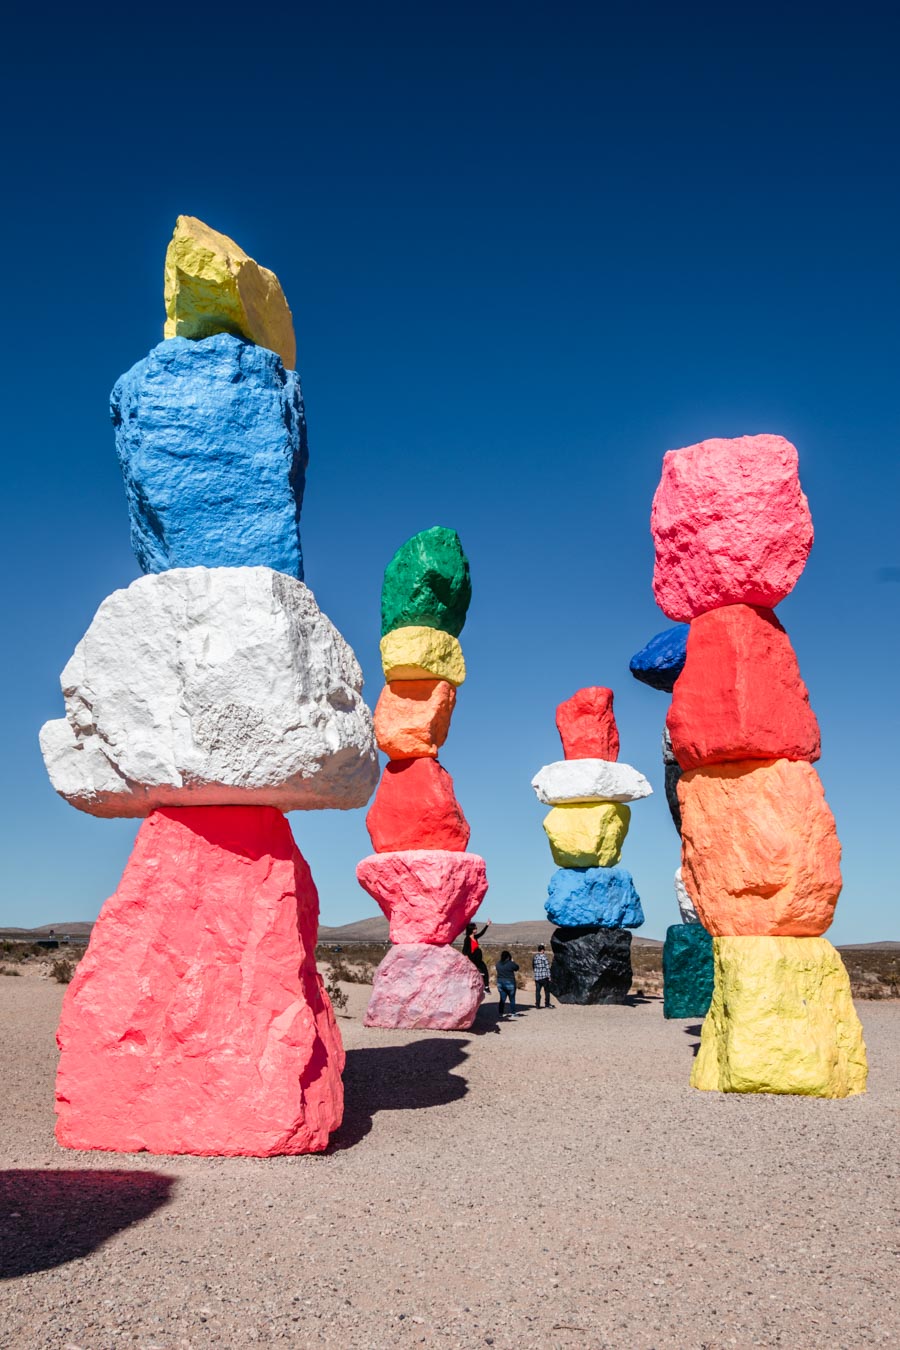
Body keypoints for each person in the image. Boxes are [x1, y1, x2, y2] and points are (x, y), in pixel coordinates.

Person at [463, 919, 491, 991]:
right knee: (480, 970)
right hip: (473, 959)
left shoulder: (475, 937)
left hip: (478, 959)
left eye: (476, 928)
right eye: (475, 928)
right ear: (471, 929)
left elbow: (482, 933)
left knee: (485, 971)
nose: (476, 929)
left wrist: (487, 925)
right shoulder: (467, 939)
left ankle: (486, 987)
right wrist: (466, 958)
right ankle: (480, 974)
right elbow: (464, 950)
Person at [495, 950, 520, 1019]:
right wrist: (512, 961)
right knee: (512, 999)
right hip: (510, 983)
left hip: (500, 983)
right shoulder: (510, 963)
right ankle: (513, 1013)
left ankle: (501, 1013)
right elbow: (517, 968)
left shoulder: (498, 964)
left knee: (502, 999)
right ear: (508, 957)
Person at [532, 944, 553, 1008]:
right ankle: (547, 1004)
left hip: (537, 977)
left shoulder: (535, 957)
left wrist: (536, 972)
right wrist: (549, 976)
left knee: (537, 991)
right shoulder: (544, 957)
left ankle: (537, 1005)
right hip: (544, 977)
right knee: (547, 991)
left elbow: (533, 966)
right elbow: (547, 967)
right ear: (543, 950)